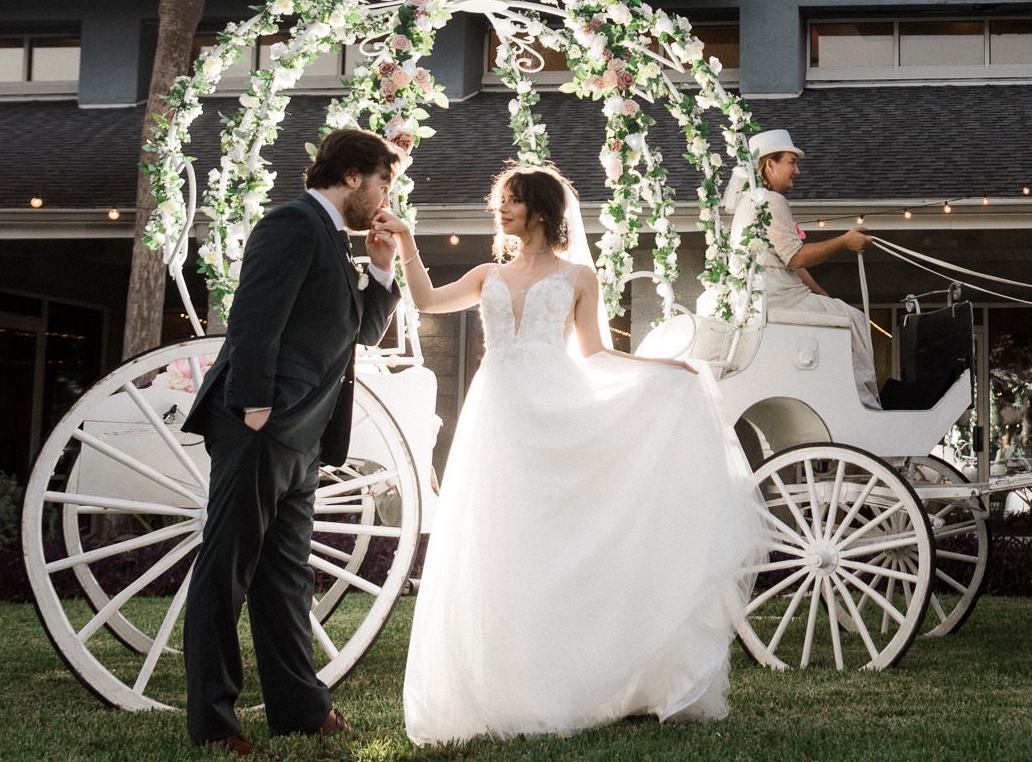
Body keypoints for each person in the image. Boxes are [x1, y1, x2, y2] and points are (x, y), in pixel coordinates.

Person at [386, 164, 764, 744]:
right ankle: (502, 685)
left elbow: (595, 353)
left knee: (556, 536)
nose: (501, 210)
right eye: (500, 201)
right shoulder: (488, 274)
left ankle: (579, 670)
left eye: (512, 201)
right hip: (497, 414)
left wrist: (663, 370)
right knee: (498, 536)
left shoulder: (579, 277)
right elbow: (427, 300)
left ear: (540, 209)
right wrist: (406, 241)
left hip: (557, 408)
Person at [181, 128, 405, 756]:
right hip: (262, 426)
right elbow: (254, 318)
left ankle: (301, 710)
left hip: (303, 437)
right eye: (384, 182)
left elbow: (359, 332)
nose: (386, 198)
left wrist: (382, 268)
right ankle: (214, 724)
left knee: (285, 578)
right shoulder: (293, 223)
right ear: (354, 177)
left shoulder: (333, 239)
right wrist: (255, 407)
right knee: (226, 571)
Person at [735, 129, 880, 409]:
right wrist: (844, 242)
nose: (797, 171)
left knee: (841, 310)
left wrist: (824, 296)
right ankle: (862, 403)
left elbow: (789, 260)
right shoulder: (771, 201)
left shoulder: (750, 202)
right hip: (780, 299)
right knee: (856, 320)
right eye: (791, 162)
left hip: (771, 297)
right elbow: (796, 258)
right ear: (770, 165)